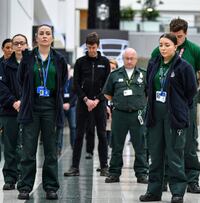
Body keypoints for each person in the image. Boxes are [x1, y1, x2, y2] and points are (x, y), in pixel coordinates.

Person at [151, 17, 200, 193]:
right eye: (174, 35)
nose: (177, 39)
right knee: (165, 142)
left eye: (180, 36)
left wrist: (186, 96)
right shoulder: (158, 50)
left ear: (186, 34)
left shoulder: (196, 51)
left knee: (188, 142)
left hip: (186, 103)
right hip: (163, 103)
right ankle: (164, 179)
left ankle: (192, 179)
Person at [139, 33, 197, 203]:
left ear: (175, 47)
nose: (163, 48)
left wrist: (178, 105)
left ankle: (177, 192)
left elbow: (191, 91)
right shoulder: (153, 63)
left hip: (174, 116)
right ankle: (154, 191)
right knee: (155, 155)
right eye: (161, 45)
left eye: (167, 45)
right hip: (155, 115)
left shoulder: (183, 67)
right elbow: (148, 87)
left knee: (175, 155)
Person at [16, 24, 68, 200]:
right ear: (36, 38)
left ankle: (51, 187)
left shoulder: (59, 59)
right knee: (28, 150)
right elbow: (21, 79)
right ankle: (24, 187)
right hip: (32, 107)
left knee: (51, 151)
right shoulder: (28, 57)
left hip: (51, 108)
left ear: (52, 38)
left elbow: (62, 81)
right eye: (41, 34)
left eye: (48, 34)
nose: (45, 36)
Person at [64, 32, 110, 177]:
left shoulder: (105, 62)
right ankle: (74, 167)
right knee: (79, 135)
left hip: (99, 104)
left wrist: (97, 100)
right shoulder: (80, 62)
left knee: (102, 135)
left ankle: (104, 166)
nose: (91, 50)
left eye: (94, 47)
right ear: (86, 46)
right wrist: (86, 100)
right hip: (83, 104)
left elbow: (107, 84)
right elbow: (76, 84)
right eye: (89, 47)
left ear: (98, 46)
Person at [103, 48, 149, 184]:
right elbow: (107, 93)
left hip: (138, 114)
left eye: (132, 58)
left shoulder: (143, 74)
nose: (129, 61)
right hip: (120, 114)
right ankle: (114, 173)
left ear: (136, 59)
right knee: (116, 145)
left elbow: (148, 93)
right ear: (123, 59)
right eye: (127, 58)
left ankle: (141, 174)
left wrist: (139, 104)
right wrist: (119, 102)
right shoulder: (115, 74)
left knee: (140, 146)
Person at [0, 34, 27, 190]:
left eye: (20, 43)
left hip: (27, 110)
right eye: (14, 44)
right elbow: (1, 87)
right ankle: (10, 178)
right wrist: (14, 102)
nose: (17, 46)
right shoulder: (4, 65)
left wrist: (24, 101)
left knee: (25, 146)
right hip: (8, 111)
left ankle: (23, 176)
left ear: (26, 45)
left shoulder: (31, 63)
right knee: (10, 146)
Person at [56, 64, 77, 155]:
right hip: (61, 106)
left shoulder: (73, 81)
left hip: (71, 106)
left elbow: (76, 94)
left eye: (67, 70)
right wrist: (62, 104)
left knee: (73, 126)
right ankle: (58, 148)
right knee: (60, 126)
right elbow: (57, 94)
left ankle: (74, 146)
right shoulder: (59, 81)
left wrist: (69, 104)